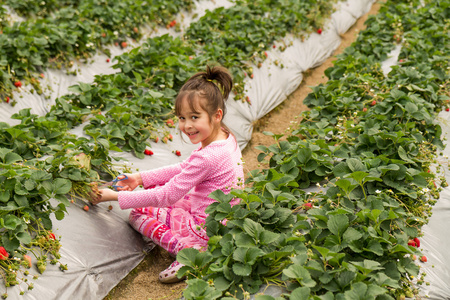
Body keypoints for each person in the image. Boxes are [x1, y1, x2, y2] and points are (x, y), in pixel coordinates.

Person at [90, 65, 244, 283]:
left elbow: (167, 195)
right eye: (182, 118)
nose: (187, 125)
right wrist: (139, 178)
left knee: (138, 212)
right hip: (225, 219)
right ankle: (198, 242)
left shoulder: (208, 156)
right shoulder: (225, 137)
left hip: (205, 228)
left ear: (216, 115)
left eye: (194, 117)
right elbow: (185, 167)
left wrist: (114, 196)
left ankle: (190, 252)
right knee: (156, 189)